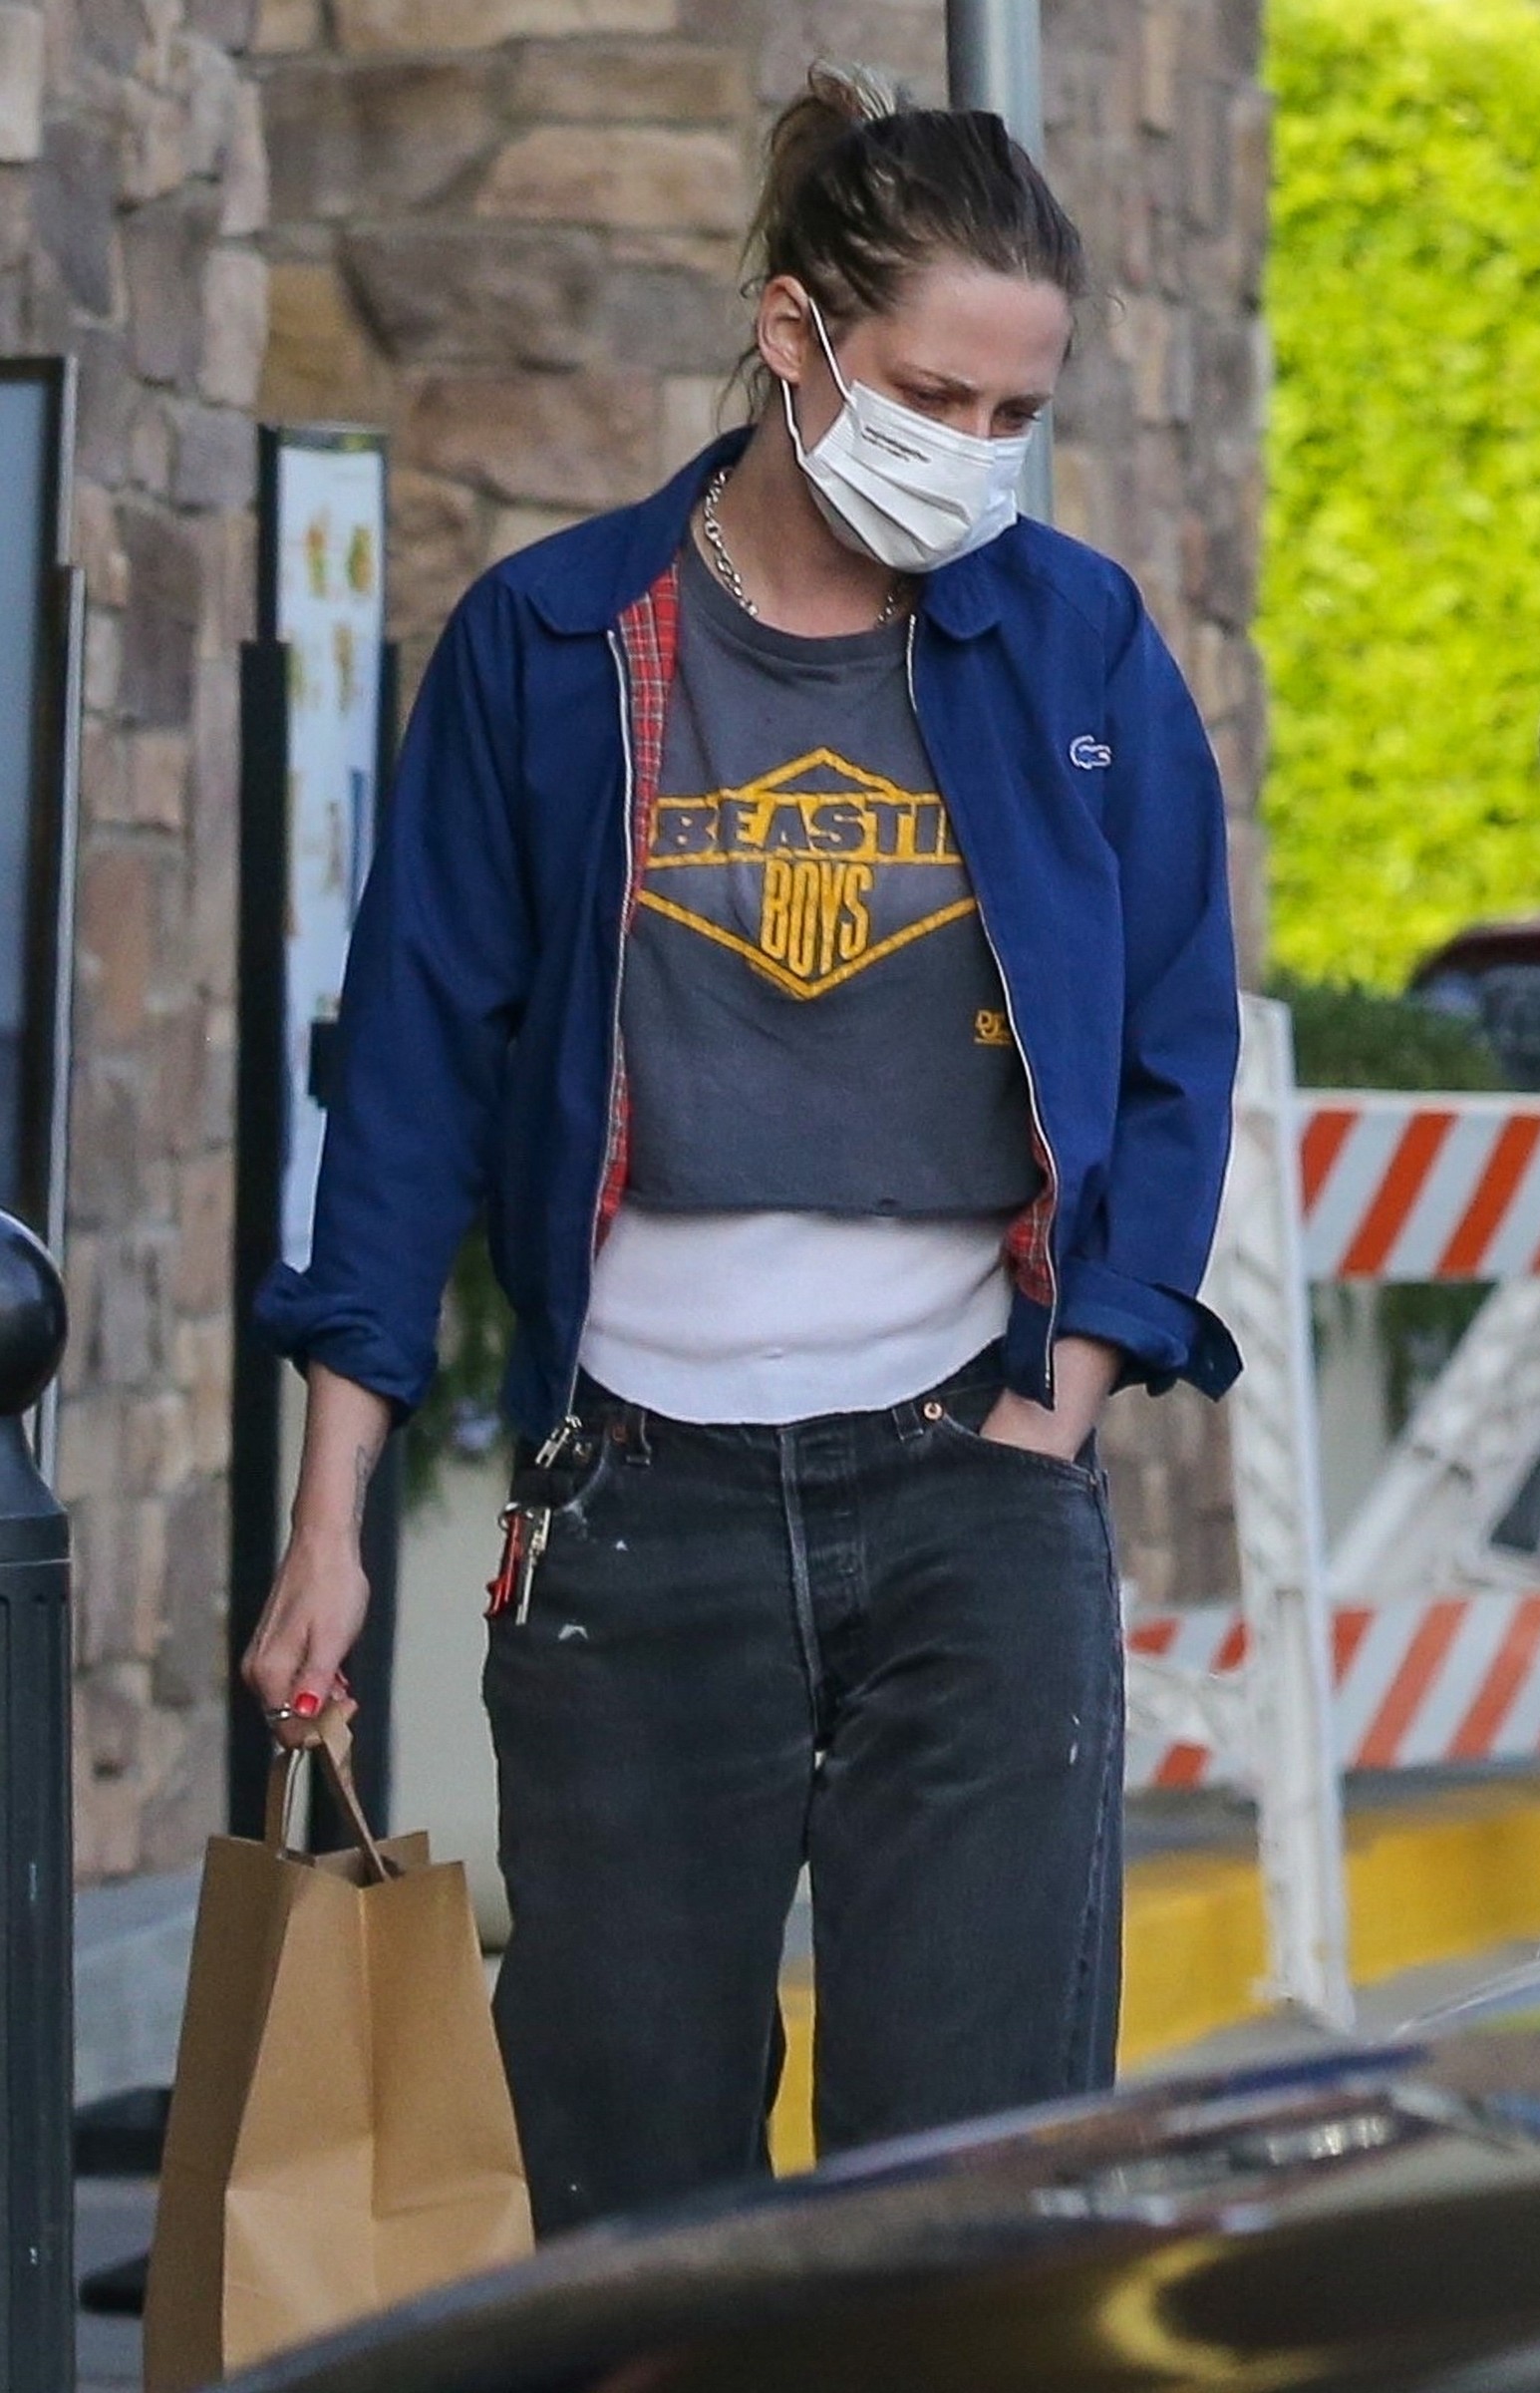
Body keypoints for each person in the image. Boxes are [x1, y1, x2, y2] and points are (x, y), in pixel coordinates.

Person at [244, 64, 1242, 2236]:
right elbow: (407, 1084)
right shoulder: (552, 643)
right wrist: (329, 1526)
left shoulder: (1071, 643)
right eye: (930, 394)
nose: (972, 450)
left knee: (968, 2201)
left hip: (975, 1490)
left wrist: (1058, 1412)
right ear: (793, 334)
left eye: (1016, 411)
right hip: (633, 1507)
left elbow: (1174, 1042)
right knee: (635, 2203)